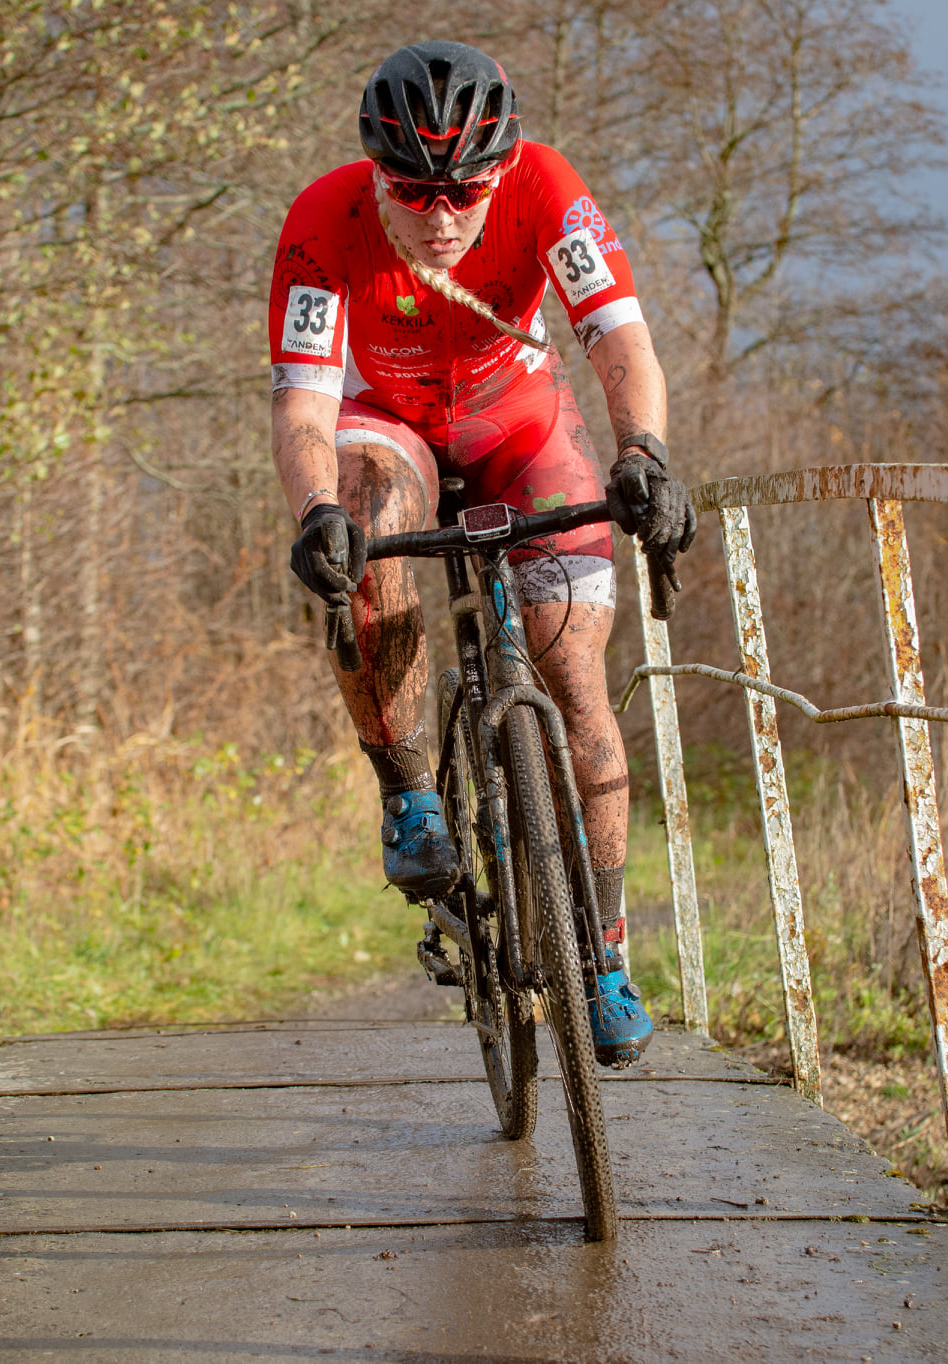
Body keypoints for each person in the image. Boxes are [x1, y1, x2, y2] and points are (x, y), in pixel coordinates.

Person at [268, 42, 694, 1064]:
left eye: (464, 189)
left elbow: (617, 339)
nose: (441, 215)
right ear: (376, 174)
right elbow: (304, 402)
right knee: (364, 521)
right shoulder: (322, 219)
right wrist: (316, 509)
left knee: (575, 679)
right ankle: (408, 785)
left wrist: (642, 453)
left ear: (501, 170)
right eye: (413, 191)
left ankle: (603, 954)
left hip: (519, 421)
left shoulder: (546, 187)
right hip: (389, 422)